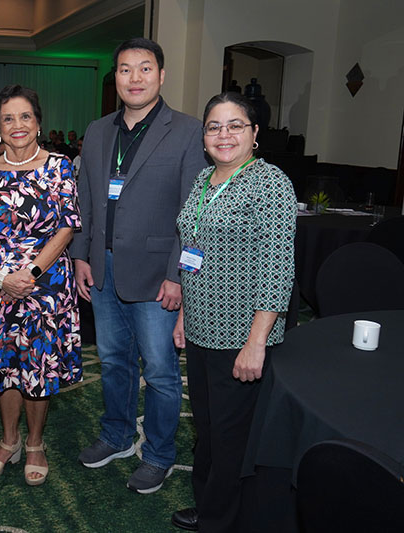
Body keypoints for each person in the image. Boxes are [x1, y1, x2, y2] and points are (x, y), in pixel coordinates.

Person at [70, 37, 208, 493]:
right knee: (113, 360)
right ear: (116, 78)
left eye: (145, 69)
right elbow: (86, 199)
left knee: (161, 371)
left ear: (161, 76)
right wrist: (81, 255)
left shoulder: (187, 131)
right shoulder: (97, 130)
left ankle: (159, 454)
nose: (135, 78)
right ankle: (117, 436)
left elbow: (193, 212)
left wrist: (177, 276)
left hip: (157, 275)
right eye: (125, 69)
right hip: (102, 267)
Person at [170, 92, 296, 532]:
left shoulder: (270, 183)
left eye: (235, 125)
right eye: (214, 127)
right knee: (206, 428)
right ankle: (209, 506)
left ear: (255, 133)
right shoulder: (204, 179)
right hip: (201, 329)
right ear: (204, 136)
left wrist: (256, 343)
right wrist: (184, 315)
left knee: (229, 437)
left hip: (241, 336)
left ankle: (220, 521)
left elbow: (277, 268)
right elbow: (192, 251)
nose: (223, 135)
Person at [0, 85, 82, 486]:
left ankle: (34, 442)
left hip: (44, 285)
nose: (17, 125)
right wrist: (1, 278)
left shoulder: (60, 166)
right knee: (5, 364)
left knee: (37, 365)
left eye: (25, 116)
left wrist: (29, 274)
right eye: (8, 118)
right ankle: (9, 439)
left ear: (38, 123)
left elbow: (66, 227)